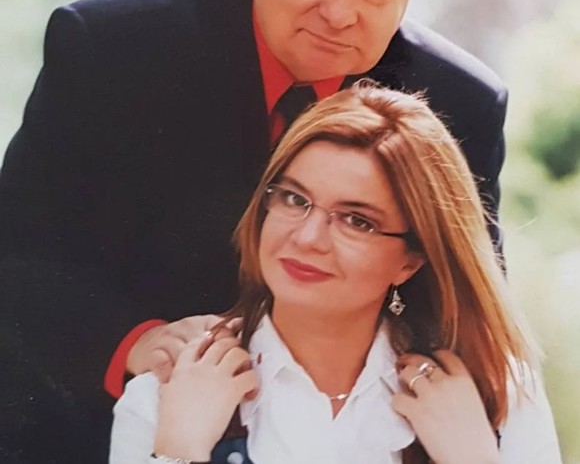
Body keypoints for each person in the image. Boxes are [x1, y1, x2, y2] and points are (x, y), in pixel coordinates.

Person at [0, 0, 508, 461]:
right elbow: (19, 257)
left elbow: (462, 307)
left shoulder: (461, 103)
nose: (339, 13)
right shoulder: (112, 47)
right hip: (102, 423)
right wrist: (138, 345)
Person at [109, 82, 561, 464]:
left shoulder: (496, 394)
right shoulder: (166, 397)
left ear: (411, 260)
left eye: (356, 221)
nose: (308, 238)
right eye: (294, 199)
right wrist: (180, 452)